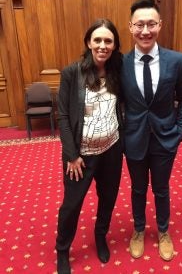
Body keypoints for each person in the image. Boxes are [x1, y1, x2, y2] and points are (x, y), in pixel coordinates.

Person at [121, 0, 182, 261]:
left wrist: (180, 130)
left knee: (161, 188)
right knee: (138, 189)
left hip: (165, 139)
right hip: (134, 139)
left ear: (160, 25)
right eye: (140, 25)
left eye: (151, 24)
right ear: (130, 27)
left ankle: (163, 231)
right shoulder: (121, 63)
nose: (145, 31)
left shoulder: (176, 60)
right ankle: (138, 230)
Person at [55, 18, 123, 274]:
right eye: (98, 40)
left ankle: (100, 236)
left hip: (112, 150)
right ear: (88, 42)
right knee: (72, 205)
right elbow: (62, 115)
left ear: (115, 45)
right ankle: (62, 250)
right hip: (80, 156)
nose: (103, 45)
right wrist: (71, 155)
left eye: (108, 41)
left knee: (108, 199)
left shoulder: (118, 70)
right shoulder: (72, 72)